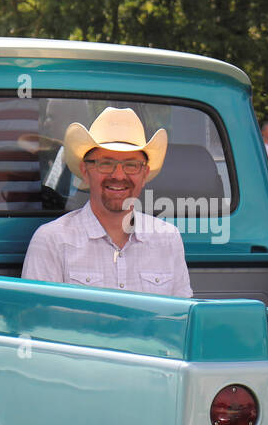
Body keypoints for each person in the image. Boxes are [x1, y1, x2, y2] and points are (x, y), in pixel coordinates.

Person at [22, 107, 192, 297]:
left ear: (144, 174)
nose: (118, 175)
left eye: (131, 165)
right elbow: (38, 323)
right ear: (85, 171)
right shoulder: (52, 241)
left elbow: (181, 322)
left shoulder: (168, 239)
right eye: (106, 163)